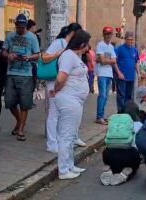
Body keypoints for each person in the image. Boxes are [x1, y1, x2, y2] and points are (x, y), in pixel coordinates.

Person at [53, 30, 91, 180]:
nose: (88, 47)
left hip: (75, 100)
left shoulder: (74, 56)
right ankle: (63, 170)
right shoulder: (68, 56)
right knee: (66, 137)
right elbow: (61, 77)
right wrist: (56, 90)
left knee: (71, 136)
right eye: (87, 44)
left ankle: (70, 165)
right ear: (81, 43)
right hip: (69, 99)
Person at [42, 23, 85, 153]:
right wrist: (58, 53)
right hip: (54, 81)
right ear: (73, 33)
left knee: (62, 114)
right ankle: (52, 143)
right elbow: (44, 57)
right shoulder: (60, 42)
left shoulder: (72, 47)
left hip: (64, 84)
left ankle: (65, 140)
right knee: (54, 113)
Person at [2, 14, 40, 141]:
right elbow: (3, 51)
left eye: (23, 27)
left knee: (25, 104)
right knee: (9, 102)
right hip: (11, 73)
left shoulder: (32, 37)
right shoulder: (10, 36)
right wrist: (9, 55)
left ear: (26, 26)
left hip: (26, 75)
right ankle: (19, 121)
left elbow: (37, 55)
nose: (21, 30)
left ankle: (21, 129)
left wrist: (28, 57)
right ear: (15, 25)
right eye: (19, 27)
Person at [100, 101, 142, 186]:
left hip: (109, 155)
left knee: (107, 150)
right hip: (129, 157)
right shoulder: (139, 125)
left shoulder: (115, 122)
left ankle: (109, 170)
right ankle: (124, 175)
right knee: (136, 158)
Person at [95, 27, 117, 125]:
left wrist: (105, 59)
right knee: (102, 95)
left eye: (110, 34)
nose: (108, 36)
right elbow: (103, 61)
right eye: (106, 34)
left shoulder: (111, 47)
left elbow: (114, 60)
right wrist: (107, 60)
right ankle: (99, 116)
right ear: (103, 35)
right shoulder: (100, 45)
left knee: (106, 96)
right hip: (102, 73)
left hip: (109, 74)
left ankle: (102, 116)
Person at [115, 32, 140, 113]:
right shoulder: (119, 49)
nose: (130, 41)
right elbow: (114, 61)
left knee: (129, 96)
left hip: (131, 77)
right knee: (121, 96)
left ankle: (127, 112)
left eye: (132, 40)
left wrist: (138, 72)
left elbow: (136, 62)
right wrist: (119, 73)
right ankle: (120, 112)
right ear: (125, 39)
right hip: (122, 77)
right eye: (129, 40)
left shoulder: (134, 50)